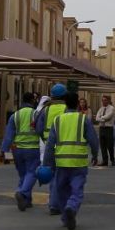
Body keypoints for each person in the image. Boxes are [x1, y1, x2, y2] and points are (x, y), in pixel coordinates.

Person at [42, 91, 99, 230]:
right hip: (78, 162)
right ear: (78, 104)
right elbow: (93, 139)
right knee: (77, 189)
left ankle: (65, 215)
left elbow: (50, 144)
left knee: (61, 189)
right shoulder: (83, 119)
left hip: (61, 161)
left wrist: (47, 163)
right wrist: (95, 154)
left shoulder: (58, 120)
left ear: (65, 104)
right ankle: (71, 207)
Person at [0, 91, 40, 211]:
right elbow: (42, 130)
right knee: (32, 173)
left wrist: (3, 151)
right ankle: (21, 193)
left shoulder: (15, 115)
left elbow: (8, 135)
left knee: (23, 174)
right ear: (32, 101)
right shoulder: (36, 114)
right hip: (32, 148)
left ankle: (27, 200)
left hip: (17, 150)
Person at [35, 84, 69, 215]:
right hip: (63, 146)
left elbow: (38, 128)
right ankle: (60, 203)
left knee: (53, 174)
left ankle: (54, 204)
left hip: (49, 145)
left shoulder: (45, 110)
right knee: (64, 176)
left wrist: (45, 140)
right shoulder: (67, 109)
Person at [95, 95, 115, 167]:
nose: (103, 101)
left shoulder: (111, 108)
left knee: (110, 145)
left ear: (108, 100)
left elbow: (108, 117)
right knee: (102, 145)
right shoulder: (101, 109)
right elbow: (96, 118)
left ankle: (112, 160)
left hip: (108, 128)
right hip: (102, 128)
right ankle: (105, 161)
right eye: (102, 100)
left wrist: (101, 118)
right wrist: (102, 118)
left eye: (105, 100)